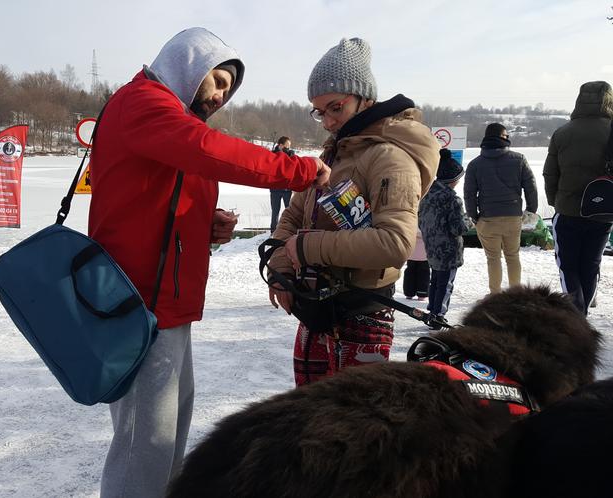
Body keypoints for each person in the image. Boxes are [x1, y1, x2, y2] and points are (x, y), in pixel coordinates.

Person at [88, 27, 330, 498]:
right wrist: (298, 170)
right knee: (145, 443)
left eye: (229, 88)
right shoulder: (143, 102)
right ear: (188, 66)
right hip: (136, 303)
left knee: (169, 430)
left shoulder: (165, 115)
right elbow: (209, 152)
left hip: (166, 302)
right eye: (217, 80)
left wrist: (206, 223)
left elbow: (154, 195)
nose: (221, 95)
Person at [267, 37, 439, 386]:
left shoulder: (390, 156)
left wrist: (304, 247)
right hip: (315, 307)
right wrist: (279, 264)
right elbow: (294, 214)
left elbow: (394, 243)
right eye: (319, 111)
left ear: (365, 99)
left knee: (355, 428)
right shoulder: (334, 153)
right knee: (308, 419)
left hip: (363, 313)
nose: (328, 121)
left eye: (336, 107)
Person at [543, 80, 613, 314]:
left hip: (569, 211)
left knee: (568, 267)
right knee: (591, 265)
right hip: (603, 213)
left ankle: (576, 315)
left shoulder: (563, 133)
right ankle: (581, 315)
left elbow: (550, 173)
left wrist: (556, 202)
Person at [464, 123, 538, 294]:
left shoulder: (475, 164)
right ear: (503, 137)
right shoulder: (519, 159)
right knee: (512, 256)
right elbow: (531, 187)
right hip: (513, 217)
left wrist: (473, 216)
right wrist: (530, 210)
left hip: (488, 219)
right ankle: (515, 293)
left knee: (493, 258)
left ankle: (495, 294)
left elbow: (469, 193)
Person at [419, 148, 469, 328]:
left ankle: (432, 309)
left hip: (431, 245)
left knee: (435, 281)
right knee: (446, 283)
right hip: (448, 249)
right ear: (453, 180)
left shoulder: (427, 194)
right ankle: (438, 315)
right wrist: (468, 223)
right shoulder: (453, 199)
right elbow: (458, 228)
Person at [270, 136, 295, 231]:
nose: (288, 148)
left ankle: (289, 230)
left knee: (289, 211)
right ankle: (273, 231)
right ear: (280, 145)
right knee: (275, 212)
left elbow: (292, 169)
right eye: (287, 146)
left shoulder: (290, 155)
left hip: (287, 189)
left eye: (289, 146)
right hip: (275, 189)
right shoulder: (272, 155)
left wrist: (291, 156)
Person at [402, 228, 429, 301]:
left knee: (410, 274)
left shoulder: (411, 219)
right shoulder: (426, 219)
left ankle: (409, 293)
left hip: (411, 252)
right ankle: (422, 294)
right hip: (424, 254)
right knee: (423, 275)